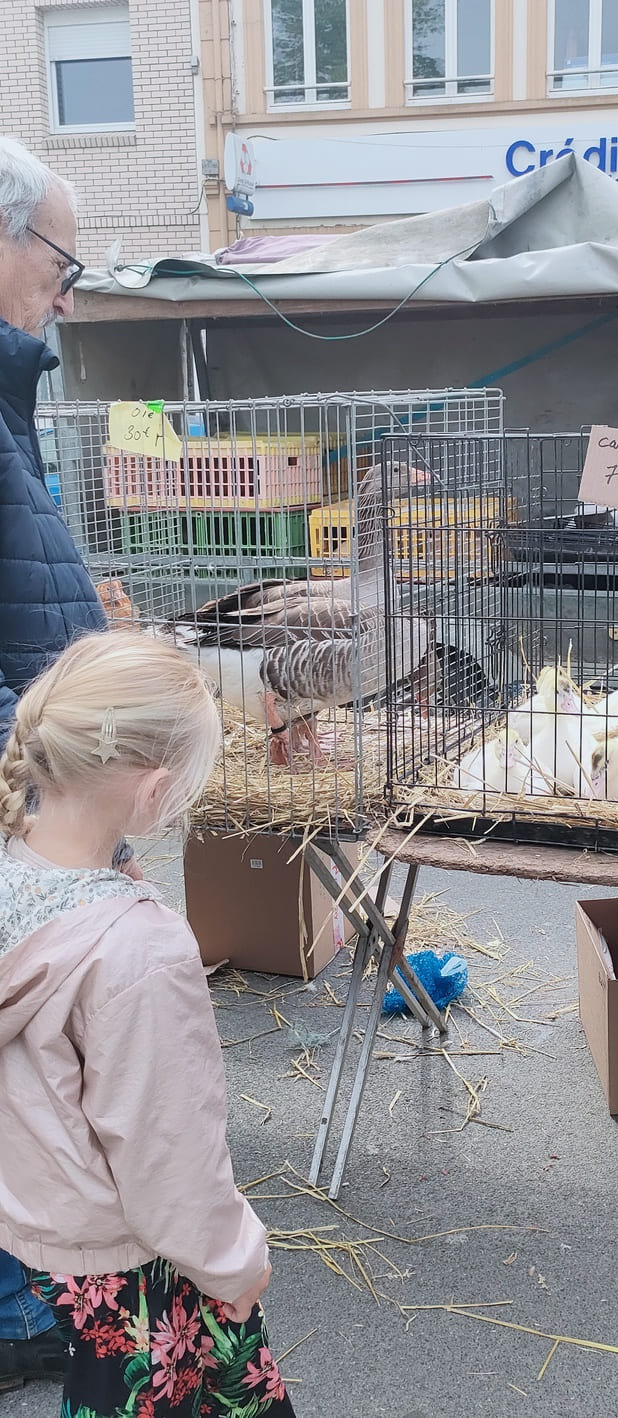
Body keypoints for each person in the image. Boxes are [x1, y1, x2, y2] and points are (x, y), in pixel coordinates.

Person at [0, 632, 296, 1417]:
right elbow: (168, 1151)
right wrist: (234, 1262)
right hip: (142, 1259)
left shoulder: (11, 871)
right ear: (157, 790)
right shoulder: (140, 949)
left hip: (47, 1231)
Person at [0, 134, 137, 1389]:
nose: (71, 290)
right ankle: (16, 1312)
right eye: (64, 260)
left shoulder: (11, 396)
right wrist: (58, 810)